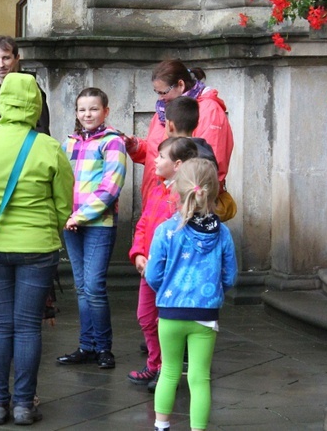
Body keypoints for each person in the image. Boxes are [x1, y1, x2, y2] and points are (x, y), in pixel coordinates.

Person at [0, 72, 74, 425]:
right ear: (36, 105)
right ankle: (24, 404)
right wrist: (45, 227)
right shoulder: (49, 147)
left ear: (1, 104)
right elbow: (64, 203)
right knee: (27, 328)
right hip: (37, 248)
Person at [145, 158, 238, 431]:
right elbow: (230, 276)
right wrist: (216, 293)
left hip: (170, 312)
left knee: (169, 372)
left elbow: (152, 274)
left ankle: (162, 426)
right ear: (214, 191)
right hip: (205, 315)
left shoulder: (165, 231)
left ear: (177, 190)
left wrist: (165, 290)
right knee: (199, 377)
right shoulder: (223, 234)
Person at [57, 87, 127, 370]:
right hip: (71, 224)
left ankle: (103, 347)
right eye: (82, 109)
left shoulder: (112, 142)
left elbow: (111, 185)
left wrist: (81, 216)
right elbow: (60, 179)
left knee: (95, 287)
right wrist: (64, 214)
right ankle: (86, 345)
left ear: (106, 111)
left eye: (94, 108)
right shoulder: (69, 142)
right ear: (76, 113)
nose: (87, 114)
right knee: (81, 287)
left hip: (98, 223)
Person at [127, 137, 199, 392]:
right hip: (150, 270)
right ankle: (155, 364)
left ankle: (168, 368)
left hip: (171, 273)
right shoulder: (157, 189)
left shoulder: (185, 196)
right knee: (146, 317)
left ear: (178, 164)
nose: (154, 160)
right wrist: (138, 253)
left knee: (166, 322)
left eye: (160, 157)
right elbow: (143, 223)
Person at [125, 61, 233, 206]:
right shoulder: (163, 111)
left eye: (163, 92)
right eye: (157, 92)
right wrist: (135, 147)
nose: (160, 98)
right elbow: (159, 153)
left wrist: (190, 203)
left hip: (184, 202)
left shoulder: (208, 111)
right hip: (156, 199)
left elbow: (211, 165)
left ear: (180, 85)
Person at [0, 35, 50, 135]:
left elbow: (42, 130)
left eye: (6, 58)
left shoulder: (30, 88)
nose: (1, 65)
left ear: (17, 58)